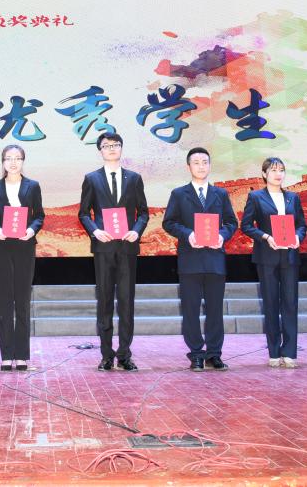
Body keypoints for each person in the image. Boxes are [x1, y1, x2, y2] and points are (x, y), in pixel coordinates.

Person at [78, 132, 149, 372]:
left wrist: (136, 231)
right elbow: (83, 213)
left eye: (116, 145)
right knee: (105, 301)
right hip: (104, 247)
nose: (111, 148)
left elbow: (143, 212)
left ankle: (125, 354)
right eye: (107, 145)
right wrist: (95, 231)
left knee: (127, 302)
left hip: (127, 247)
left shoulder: (134, 178)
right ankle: (106, 355)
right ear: (100, 150)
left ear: (121, 148)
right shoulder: (92, 178)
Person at [162, 147, 238, 372]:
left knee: (215, 310)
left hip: (215, 259)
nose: (201, 166)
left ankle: (214, 354)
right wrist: (188, 234)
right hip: (190, 260)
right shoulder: (179, 194)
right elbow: (169, 222)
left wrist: (222, 236)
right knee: (191, 310)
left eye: (205, 162)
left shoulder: (220, 194)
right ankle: (196, 353)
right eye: (196, 162)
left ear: (210, 165)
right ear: (189, 167)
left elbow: (231, 222)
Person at [0, 145, 45, 371]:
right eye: (8, 158)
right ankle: (7, 355)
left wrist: (31, 230)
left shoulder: (32, 186)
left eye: (17, 158)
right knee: (5, 302)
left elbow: (39, 215)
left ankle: (22, 355)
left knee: (23, 301)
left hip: (25, 246)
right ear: (3, 162)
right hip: (2, 247)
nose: (13, 162)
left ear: (23, 161)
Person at [240, 157, 307, 368]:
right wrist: (266, 237)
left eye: (281, 170)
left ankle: (290, 352)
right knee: (270, 304)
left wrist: (298, 237)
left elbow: (302, 225)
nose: (278, 174)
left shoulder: (293, 198)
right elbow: (246, 225)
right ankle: (274, 351)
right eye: (274, 170)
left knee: (290, 303)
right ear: (264, 174)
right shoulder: (256, 197)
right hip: (267, 257)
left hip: (290, 256)